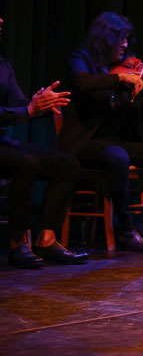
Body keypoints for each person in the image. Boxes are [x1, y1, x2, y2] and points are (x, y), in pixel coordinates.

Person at [58, 12, 143, 252]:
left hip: (116, 143)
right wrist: (119, 78)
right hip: (85, 143)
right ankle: (125, 230)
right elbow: (82, 82)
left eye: (126, 40)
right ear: (106, 38)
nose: (125, 45)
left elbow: (136, 111)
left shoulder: (114, 71)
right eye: (121, 39)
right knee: (118, 156)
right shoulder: (80, 60)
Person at [0, 16, 88, 268]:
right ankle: (18, 243)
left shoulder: (3, 66)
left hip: (2, 143)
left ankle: (47, 238)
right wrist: (28, 110)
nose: (2, 20)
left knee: (68, 164)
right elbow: (21, 111)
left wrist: (40, 103)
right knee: (25, 163)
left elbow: (19, 105)